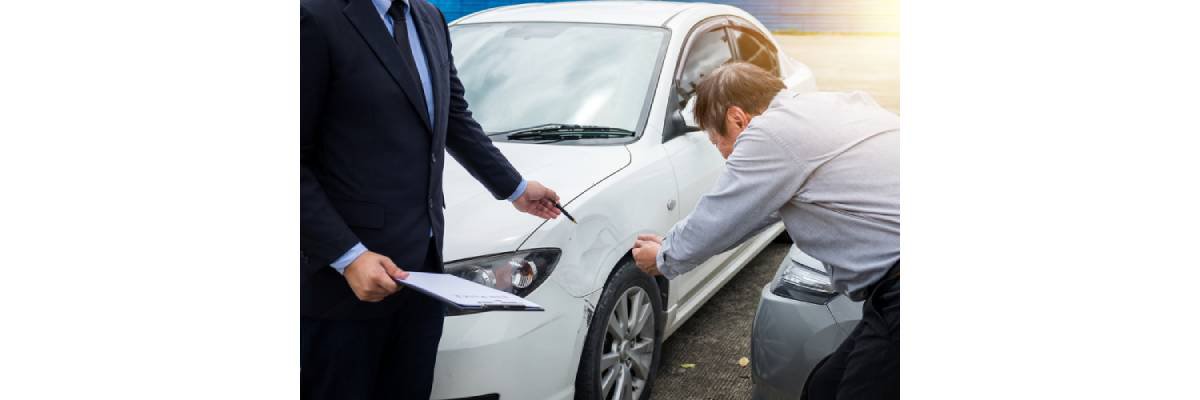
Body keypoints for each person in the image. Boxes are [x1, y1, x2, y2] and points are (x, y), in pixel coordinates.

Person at [300, 0, 562, 398]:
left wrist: (516, 188)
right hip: (341, 289)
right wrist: (347, 255)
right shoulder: (313, 16)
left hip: (423, 274)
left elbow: (453, 117)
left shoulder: (428, 17)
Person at [631, 62, 900, 399]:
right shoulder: (833, 106)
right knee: (823, 389)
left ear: (737, 119)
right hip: (888, 292)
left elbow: (721, 214)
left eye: (718, 142)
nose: (725, 156)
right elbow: (755, 212)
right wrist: (673, 245)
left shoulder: (769, 133)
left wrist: (665, 257)